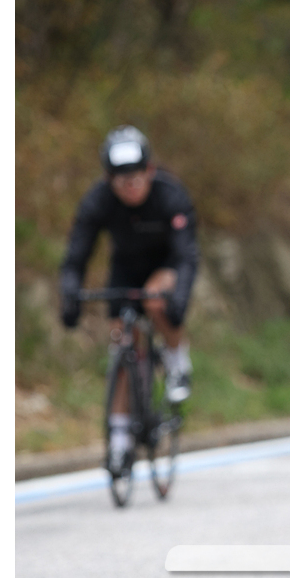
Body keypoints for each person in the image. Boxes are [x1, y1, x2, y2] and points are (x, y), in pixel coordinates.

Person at [59, 127, 200, 471]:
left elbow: (186, 256)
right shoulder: (98, 200)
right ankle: (121, 440)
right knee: (123, 344)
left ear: (149, 171)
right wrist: (70, 294)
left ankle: (177, 362)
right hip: (125, 269)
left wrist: (179, 301)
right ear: (109, 180)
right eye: (122, 180)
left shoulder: (170, 195)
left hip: (166, 264)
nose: (130, 185)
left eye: (137, 177)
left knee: (154, 299)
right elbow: (76, 254)